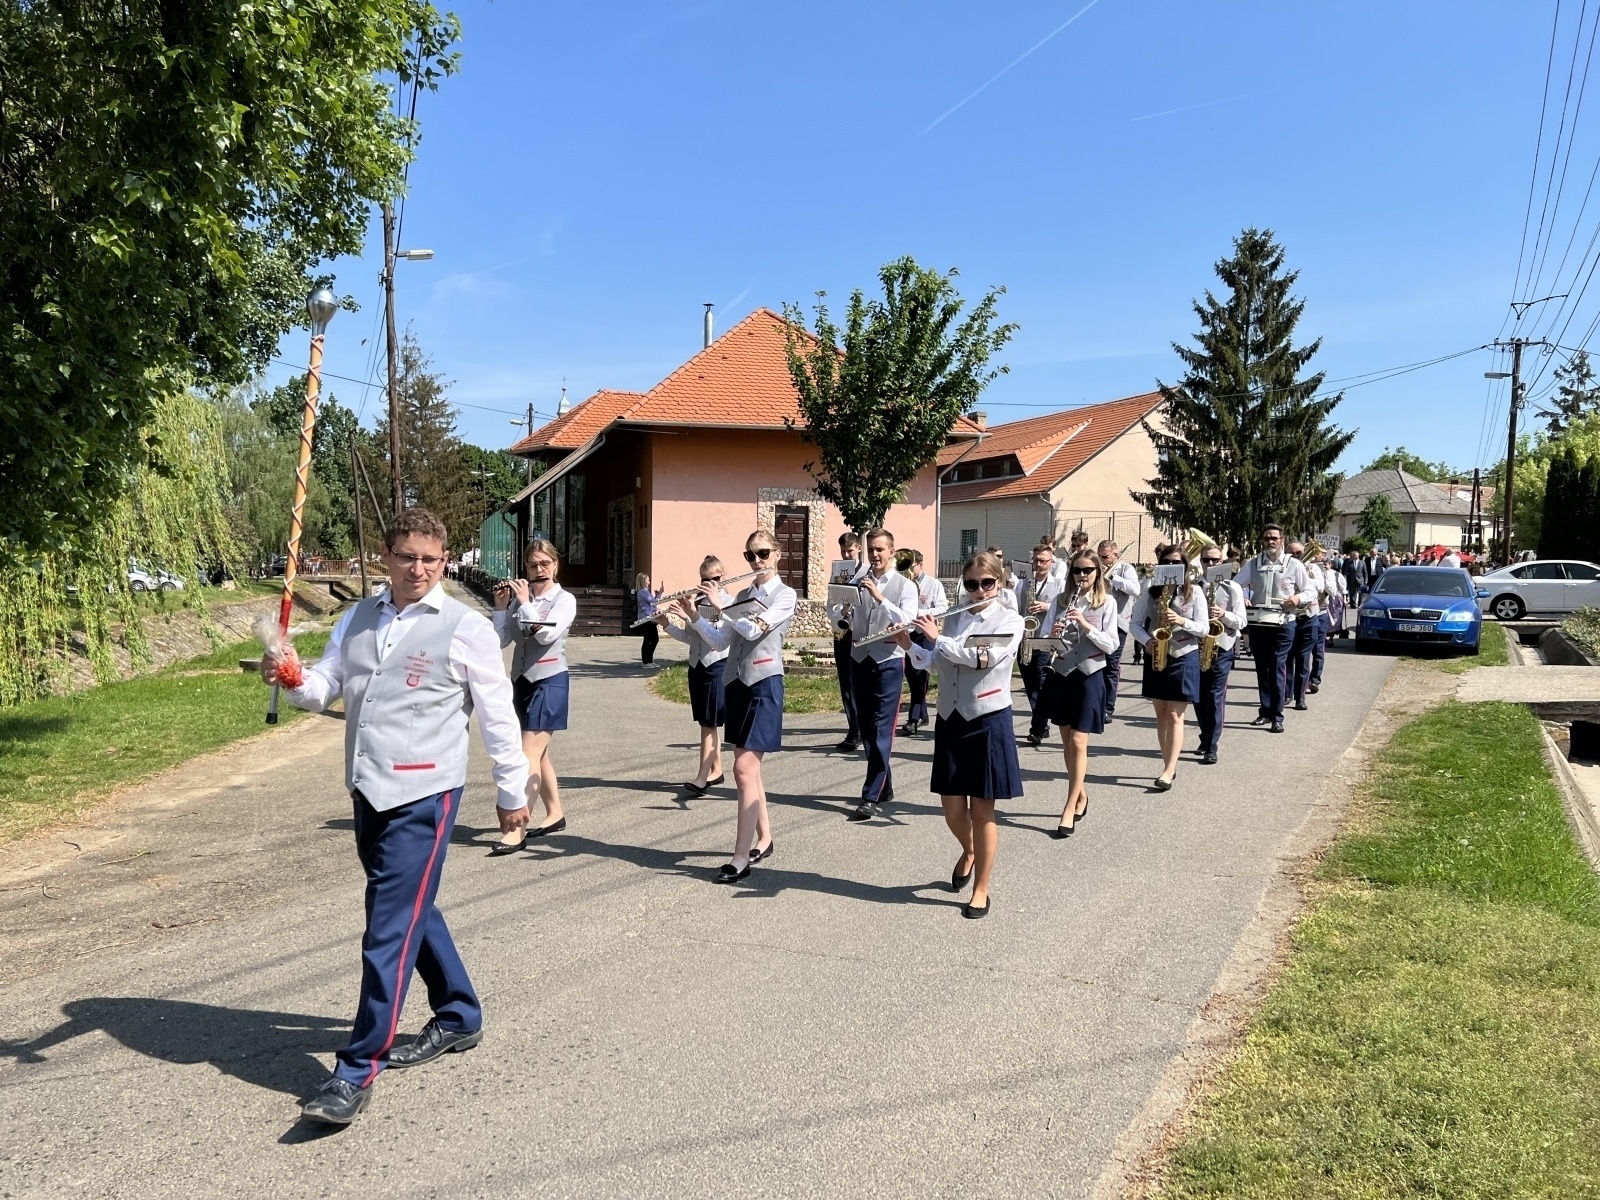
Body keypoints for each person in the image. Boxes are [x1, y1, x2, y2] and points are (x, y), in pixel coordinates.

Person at [260, 508, 530, 1126]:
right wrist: (296, 676)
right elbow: (327, 685)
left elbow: (497, 715)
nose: (419, 569)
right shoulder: (357, 617)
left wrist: (512, 791)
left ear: (443, 560)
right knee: (410, 907)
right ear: (387, 557)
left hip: (426, 797)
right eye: (408, 557)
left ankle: (356, 1070)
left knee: (385, 928)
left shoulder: (466, 627)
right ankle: (460, 1012)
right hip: (367, 787)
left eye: (431, 560)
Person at [895, 550, 1025, 918]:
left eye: (987, 583)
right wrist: (911, 645)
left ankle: (982, 888)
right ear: (963, 585)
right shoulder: (954, 618)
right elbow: (939, 663)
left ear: (998, 583)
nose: (980, 590)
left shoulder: (1010, 620)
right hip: (951, 717)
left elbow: (981, 658)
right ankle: (969, 850)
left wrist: (936, 639)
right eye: (972, 584)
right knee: (952, 807)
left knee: (982, 809)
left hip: (987, 718)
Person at [692, 529, 797, 881]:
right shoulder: (741, 594)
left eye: (763, 553)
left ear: (778, 554)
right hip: (736, 684)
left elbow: (755, 631)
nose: (756, 561)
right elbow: (723, 638)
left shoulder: (785, 595)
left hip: (764, 685)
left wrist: (724, 608)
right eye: (750, 555)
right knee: (748, 770)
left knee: (742, 770)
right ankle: (764, 838)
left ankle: (740, 857)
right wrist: (694, 618)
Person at [494, 538, 577, 847]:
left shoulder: (564, 600)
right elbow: (501, 641)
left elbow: (545, 636)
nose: (539, 570)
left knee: (527, 751)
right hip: (522, 680)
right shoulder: (519, 599)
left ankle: (518, 824)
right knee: (538, 753)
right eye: (533, 565)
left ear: (555, 565)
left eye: (545, 564)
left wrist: (525, 602)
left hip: (551, 680)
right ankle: (555, 812)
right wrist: (502, 608)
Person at [1041, 551, 1120, 835]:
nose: (1082, 576)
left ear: (1097, 572)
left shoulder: (1106, 603)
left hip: (1089, 674)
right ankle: (1081, 795)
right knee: (1066, 742)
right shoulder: (1059, 602)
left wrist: (1085, 625)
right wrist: (1054, 634)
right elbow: (1046, 639)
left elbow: (1111, 645)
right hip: (1062, 674)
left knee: (1078, 741)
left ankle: (1069, 804)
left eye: (1087, 570)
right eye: (1076, 570)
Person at [847, 528, 919, 822]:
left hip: (888, 659)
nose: (875, 555)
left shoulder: (905, 586)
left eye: (880, 550)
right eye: (871, 550)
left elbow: (909, 624)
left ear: (891, 551)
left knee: (881, 728)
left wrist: (879, 598)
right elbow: (838, 612)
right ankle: (884, 783)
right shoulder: (858, 580)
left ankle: (870, 794)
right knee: (865, 727)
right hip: (859, 657)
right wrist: (840, 607)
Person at [1130, 543, 1209, 789]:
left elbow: (1204, 628)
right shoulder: (1149, 591)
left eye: (1178, 563)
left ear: (1185, 567)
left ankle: (1168, 769)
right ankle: (1168, 765)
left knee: (1175, 715)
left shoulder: (1194, 592)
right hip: (1157, 654)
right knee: (1161, 715)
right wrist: (1147, 641)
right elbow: (1134, 623)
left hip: (1184, 654)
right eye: (1169, 562)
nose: (1173, 567)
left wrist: (1182, 620)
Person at [660, 556, 732, 795]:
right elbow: (690, 639)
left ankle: (703, 777)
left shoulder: (729, 604)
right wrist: (667, 623)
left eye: (715, 579)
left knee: (709, 724)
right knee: (705, 722)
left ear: (723, 577)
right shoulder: (697, 603)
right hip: (697, 666)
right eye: (705, 580)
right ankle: (717, 770)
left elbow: (718, 641)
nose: (710, 584)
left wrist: (693, 616)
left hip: (717, 666)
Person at [1236, 524, 1315, 734]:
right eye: (1266, 538)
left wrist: (1297, 598)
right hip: (1259, 623)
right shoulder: (1253, 564)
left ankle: (1277, 716)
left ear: (1282, 540)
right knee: (1262, 668)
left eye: (1274, 538)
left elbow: (1311, 590)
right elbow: (1235, 585)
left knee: (1277, 665)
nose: (1270, 542)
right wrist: (1242, 596)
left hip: (1284, 622)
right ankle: (1265, 711)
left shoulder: (1294, 564)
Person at [1194, 545, 1248, 765]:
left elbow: (1242, 621)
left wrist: (1223, 614)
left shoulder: (1232, 587)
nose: (1211, 564)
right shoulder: (1194, 586)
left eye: (1216, 560)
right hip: (1197, 646)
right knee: (1198, 697)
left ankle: (1211, 746)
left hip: (1222, 646)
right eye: (1207, 560)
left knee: (1215, 696)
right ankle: (1205, 737)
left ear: (1222, 562)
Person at [1016, 544, 1062, 748]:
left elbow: (1065, 609)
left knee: (1040, 685)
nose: (1039, 564)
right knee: (1030, 686)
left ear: (1052, 562)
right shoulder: (1024, 583)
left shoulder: (1059, 585)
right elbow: (1016, 608)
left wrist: (1047, 606)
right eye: (1036, 560)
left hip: (1045, 638)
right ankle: (1042, 725)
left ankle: (1037, 728)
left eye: (1043, 560)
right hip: (1025, 639)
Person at [899, 549, 949, 737]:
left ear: (920, 564)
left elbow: (943, 607)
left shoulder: (933, 584)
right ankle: (922, 713)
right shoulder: (904, 584)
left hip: (925, 632)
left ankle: (913, 719)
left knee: (921, 674)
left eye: (911, 565)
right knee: (911, 674)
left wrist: (920, 612)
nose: (908, 569)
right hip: (908, 632)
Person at [1098, 539, 1141, 720]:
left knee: (1111, 667)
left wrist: (1113, 578)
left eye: (1105, 556)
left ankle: (1108, 707)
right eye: (1099, 556)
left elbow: (1136, 590)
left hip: (1118, 624)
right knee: (1096, 666)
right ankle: (1096, 705)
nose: (1101, 560)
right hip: (1097, 623)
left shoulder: (1126, 569)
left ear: (1115, 555)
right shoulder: (1096, 568)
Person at [829, 532, 863, 752]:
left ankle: (861, 728)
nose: (846, 554)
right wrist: (840, 612)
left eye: (850, 551)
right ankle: (853, 729)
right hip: (842, 632)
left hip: (859, 633)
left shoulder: (867, 573)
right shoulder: (838, 573)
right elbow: (829, 603)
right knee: (845, 683)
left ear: (859, 548)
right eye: (843, 551)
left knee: (858, 682)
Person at [1286, 541, 1324, 710]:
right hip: (1288, 618)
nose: (1295, 556)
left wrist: (1302, 575)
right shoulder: (1284, 568)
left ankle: (1300, 697)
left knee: (1303, 658)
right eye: (1292, 553)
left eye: (1299, 553)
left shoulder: (1314, 568)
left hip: (1308, 618)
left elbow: (1320, 587)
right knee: (1286, 659)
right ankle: (1286, 694)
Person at [635, 574, 661, 666]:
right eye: (648, 580)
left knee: (653, 639)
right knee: (650, 639)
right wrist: (660, 594)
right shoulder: (643, 592)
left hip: (648, 618)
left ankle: (649, 660)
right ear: (643, 581)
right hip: (646, 619)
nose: (649, 582)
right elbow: (653, 601)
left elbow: (653, 603)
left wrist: (657, 595)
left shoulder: (645, 592)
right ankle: (646, 661)